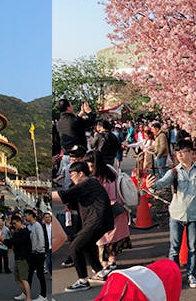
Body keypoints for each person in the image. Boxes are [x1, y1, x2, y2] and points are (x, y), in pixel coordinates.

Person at [146, 139, 196, 289]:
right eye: (178, 153)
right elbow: (160, 184)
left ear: (191, 153)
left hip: (194, 215)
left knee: (193, 247)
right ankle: (173, 276)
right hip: (176, 215)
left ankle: (191, 275)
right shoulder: (174, 172)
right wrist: (151, 186)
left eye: (183, 152)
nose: (180, 155)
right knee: (174, 248)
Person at [52, 161, 114, 293]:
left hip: (97, 220)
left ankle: (82, 280)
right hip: (99, 220)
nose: (71, 177)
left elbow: (63, 196)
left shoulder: (86, 183)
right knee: (87, 246)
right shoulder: (89, 184)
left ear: (81, 173)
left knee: (75, 246)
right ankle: (100, 272)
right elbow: (72, 201)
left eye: (72, 174)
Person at [83, 150, 132, 282]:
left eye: (91, 165)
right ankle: (112, 265)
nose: (89, 168)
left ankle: (104, 270)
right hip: (118, 209)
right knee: (113, 241)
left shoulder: (95, 179)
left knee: (102, 242)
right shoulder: (111, 171)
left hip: (105, 212)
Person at [55, 98, 95, 190]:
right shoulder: (75, 121)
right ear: (68, 108)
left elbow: (73, 124)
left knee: (68, 183)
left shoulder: (59, 122)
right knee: (81, 182)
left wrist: (81, 113)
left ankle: (69, 202)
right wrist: (89, 112)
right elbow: (91, 122)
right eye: (71, 105)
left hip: (66, 156)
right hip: (78, 156)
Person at [5, 214, 32, 301]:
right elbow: (11, 243)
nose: (14, 225)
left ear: (20, 222)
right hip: (17, 258)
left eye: (15, 223)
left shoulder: (25, 232)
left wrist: (4, 240)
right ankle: (25, 294)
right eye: (12, 224)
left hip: (23, 258)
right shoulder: (17, 232)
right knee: (17, 279)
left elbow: (16, 242)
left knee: (23, 279)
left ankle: (28, 297)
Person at [22, 209, 47, 301]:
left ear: (30, 215)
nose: (25, 217)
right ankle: (26, 293)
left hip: (38, 254)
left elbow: (41, 240)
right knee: (29, 275)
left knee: (40, 275)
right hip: (32, 254)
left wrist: (38, 250)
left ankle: (43, 295)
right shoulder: (29, 227)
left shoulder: (37, 226)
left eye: (26, 215)